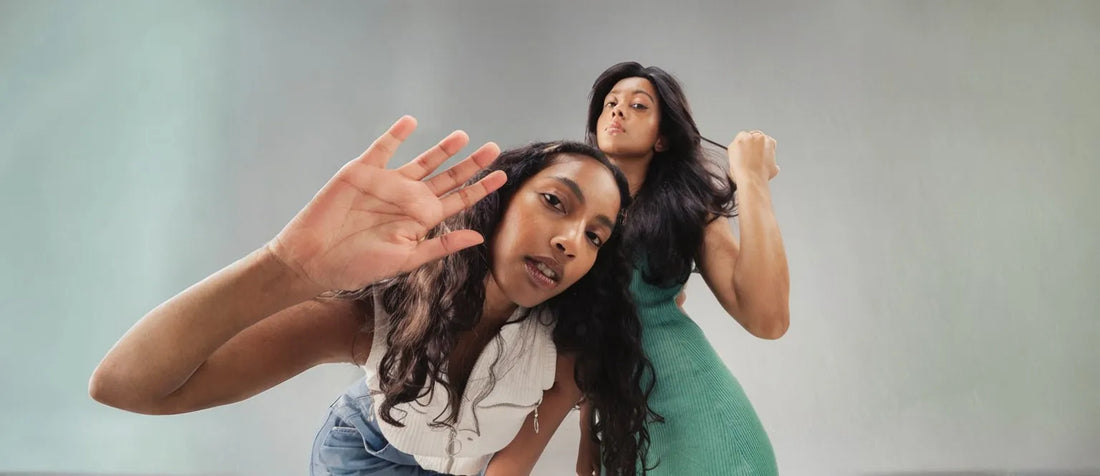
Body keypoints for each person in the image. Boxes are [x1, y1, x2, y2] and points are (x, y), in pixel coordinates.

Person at [89, 116, 655, 475]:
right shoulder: (377, 315)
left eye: (595, 236)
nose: (569, 241)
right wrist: (284, 266)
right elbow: (126, 387)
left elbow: (511, 469)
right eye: (556, 202)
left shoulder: (566, 349)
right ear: (500, 202)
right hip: (364, 451)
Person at [575, 62, 790, 475]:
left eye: (638, 106)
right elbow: (587, 340)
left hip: (705, 422)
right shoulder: (568, 210)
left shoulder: (688, 210)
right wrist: (590, 439)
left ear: (662, 138)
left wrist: (752, 181)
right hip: (625, 427)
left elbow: (768, 318)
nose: (617, 112)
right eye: (610, 104)